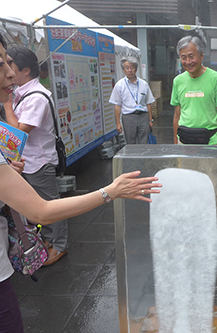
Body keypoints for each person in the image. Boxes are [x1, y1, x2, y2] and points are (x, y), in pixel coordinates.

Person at [0, 32, 161, 333]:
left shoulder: (30, 98)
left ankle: (55, 244)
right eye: (1, 64)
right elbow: (42, 211)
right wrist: (110, 191)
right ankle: (55, 245)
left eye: (9, 62)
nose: (9, 73)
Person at [3, 46, 69, 266]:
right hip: (28, 162)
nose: (8, 75)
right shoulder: (22, 93)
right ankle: (49, 240)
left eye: (9, 66)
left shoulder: (37, 97)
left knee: (49, 204)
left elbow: (19, 133)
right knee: (38, 205)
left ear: (25, 70)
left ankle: (60, 245)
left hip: (39, 162)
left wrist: (6, 105)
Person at [171, 36, 217, 146]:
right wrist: (175, 143)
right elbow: (177, 116)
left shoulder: (216, 79)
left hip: (210, 142)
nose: (188, 62)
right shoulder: (178, 81)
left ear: (201, 55)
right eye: (183, 58)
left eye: (191, 57)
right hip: (184, 141)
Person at [110, 57, 155, 144]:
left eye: (132, 67)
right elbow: (117, 105)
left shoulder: (144, 84)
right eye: (127, 68)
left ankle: (142, 157)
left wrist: (150, 119)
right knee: (130, 142)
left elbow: (148, 103)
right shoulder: (119, 85)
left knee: (144, 141)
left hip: (143, 116)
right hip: (128, 117)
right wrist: (118, 123)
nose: (130, 70)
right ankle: (132, 157)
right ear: (123, 70)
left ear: (136, 69)